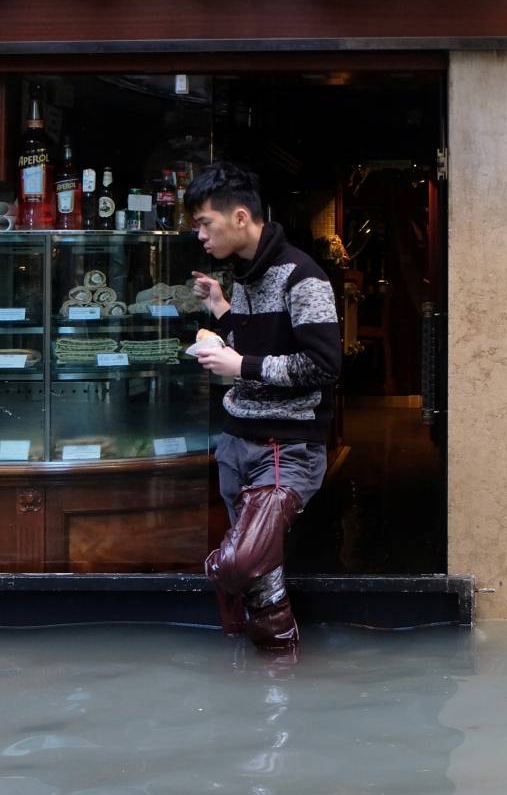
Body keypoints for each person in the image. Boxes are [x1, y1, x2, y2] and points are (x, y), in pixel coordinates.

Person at [186, 162, 342, 652]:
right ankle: (276, 674)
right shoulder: (245, 277)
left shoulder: (304, 278)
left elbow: (323, 365)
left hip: (286, 446)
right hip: (237, 441)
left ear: (238, 217)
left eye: (204, 224)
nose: (200, 237)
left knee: (239, 562)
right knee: (262, 578)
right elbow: (257, 342)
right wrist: (221, 310)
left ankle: (224, 582)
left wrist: (241, 368)